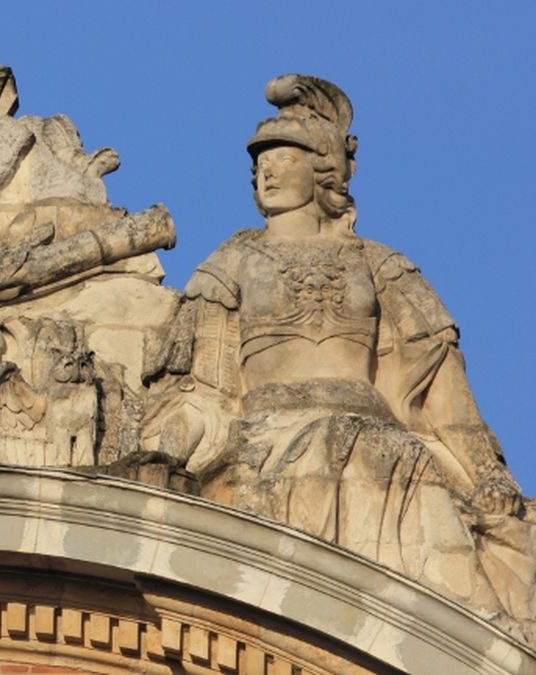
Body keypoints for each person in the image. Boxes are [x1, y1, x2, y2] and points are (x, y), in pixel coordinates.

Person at [143, 74, 533, 638]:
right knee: (342, 450)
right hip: (268, 437)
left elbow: (441, 394)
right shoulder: (231, 261)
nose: (267, 171)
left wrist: (486, 475)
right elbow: (199, 388)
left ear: (323, 168)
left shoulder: (380, 264)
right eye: (261, 162)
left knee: (395, 463)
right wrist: (162, 452)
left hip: (379, 440)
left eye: (285, 157)